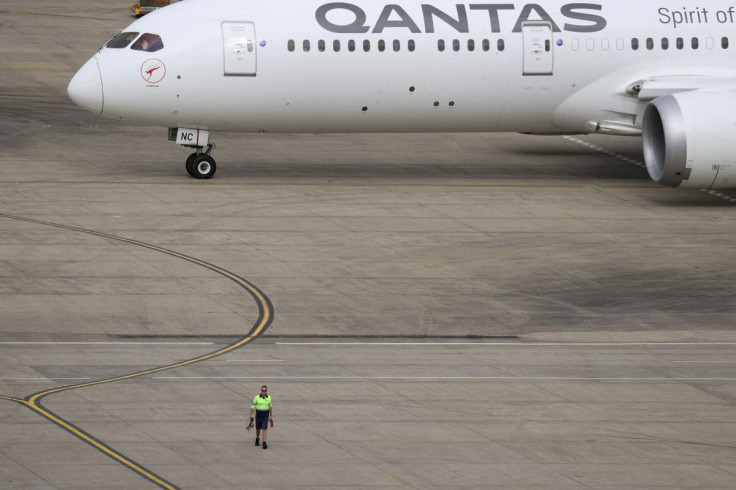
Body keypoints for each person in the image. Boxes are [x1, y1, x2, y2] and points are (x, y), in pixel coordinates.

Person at [249, 385, 273, 449]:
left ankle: (264, 442)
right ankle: (257, 438)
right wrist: (250, 415)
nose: (264, 392)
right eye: (262, 390)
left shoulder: (269, 398)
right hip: (258, 414)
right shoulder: (256, 397)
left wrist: (271, 415)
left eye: (265, 391)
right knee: (258, 429)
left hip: (265, 414)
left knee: (264, 428)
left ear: (266, 391)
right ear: (261, 391)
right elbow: (253, 407)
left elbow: (270, 407)